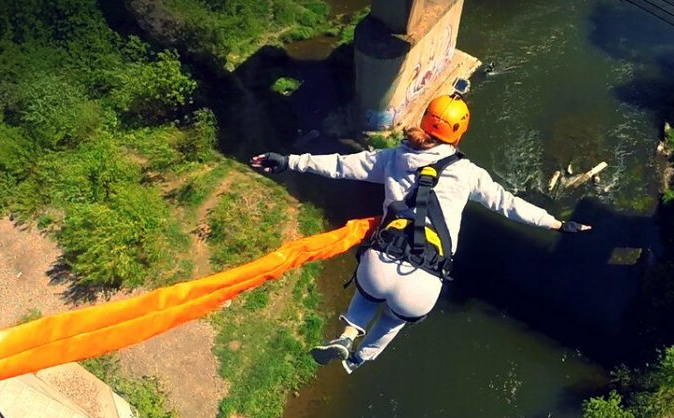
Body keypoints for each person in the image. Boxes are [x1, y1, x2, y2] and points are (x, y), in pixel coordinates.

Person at [251, 88, 590, 374]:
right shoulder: (468, 173)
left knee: (367, 293)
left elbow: (340, 165)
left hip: (380, 262)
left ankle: (346, 333)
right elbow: (508, 204)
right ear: (458, 133)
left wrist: (289, 161)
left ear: (426, 120)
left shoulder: (392, 157)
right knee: (391, 322)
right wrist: (557, 223)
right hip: (423, 280)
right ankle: (356, 358)